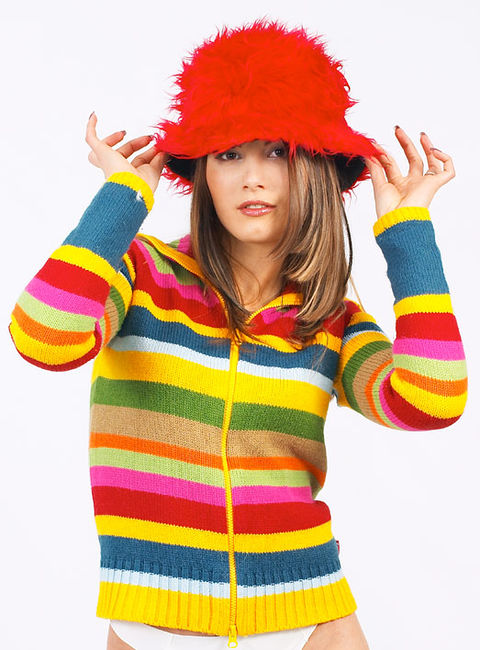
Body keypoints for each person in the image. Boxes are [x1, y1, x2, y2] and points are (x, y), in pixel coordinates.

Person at [8, 17, 467, 650]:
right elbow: (44, 337)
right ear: (201, 171)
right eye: (228, 153)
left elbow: (432, 401)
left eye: (277, 151)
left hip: (311, 616)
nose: (253, 176)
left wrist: (408, 232)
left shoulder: (328, 319)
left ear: (315, 168)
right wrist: (123, 196)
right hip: (152, 624)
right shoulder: (142, 276)